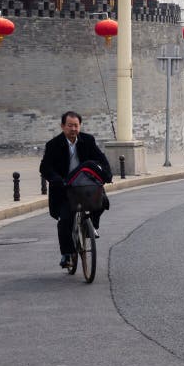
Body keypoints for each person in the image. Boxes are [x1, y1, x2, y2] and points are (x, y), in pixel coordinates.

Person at [39, 111, 112, 269]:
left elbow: (101, 159)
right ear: (63, 126)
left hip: (85, 184)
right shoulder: (53, 145)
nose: (73, 129)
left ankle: (91, 227)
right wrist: (56, 179)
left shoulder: (88, 140)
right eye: (70, 125)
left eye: (76, 125)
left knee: (101, 202)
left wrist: (107, 173)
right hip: (65, 187)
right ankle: (67, 254)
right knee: (65, 219)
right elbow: (45, 167)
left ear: (80, 126)